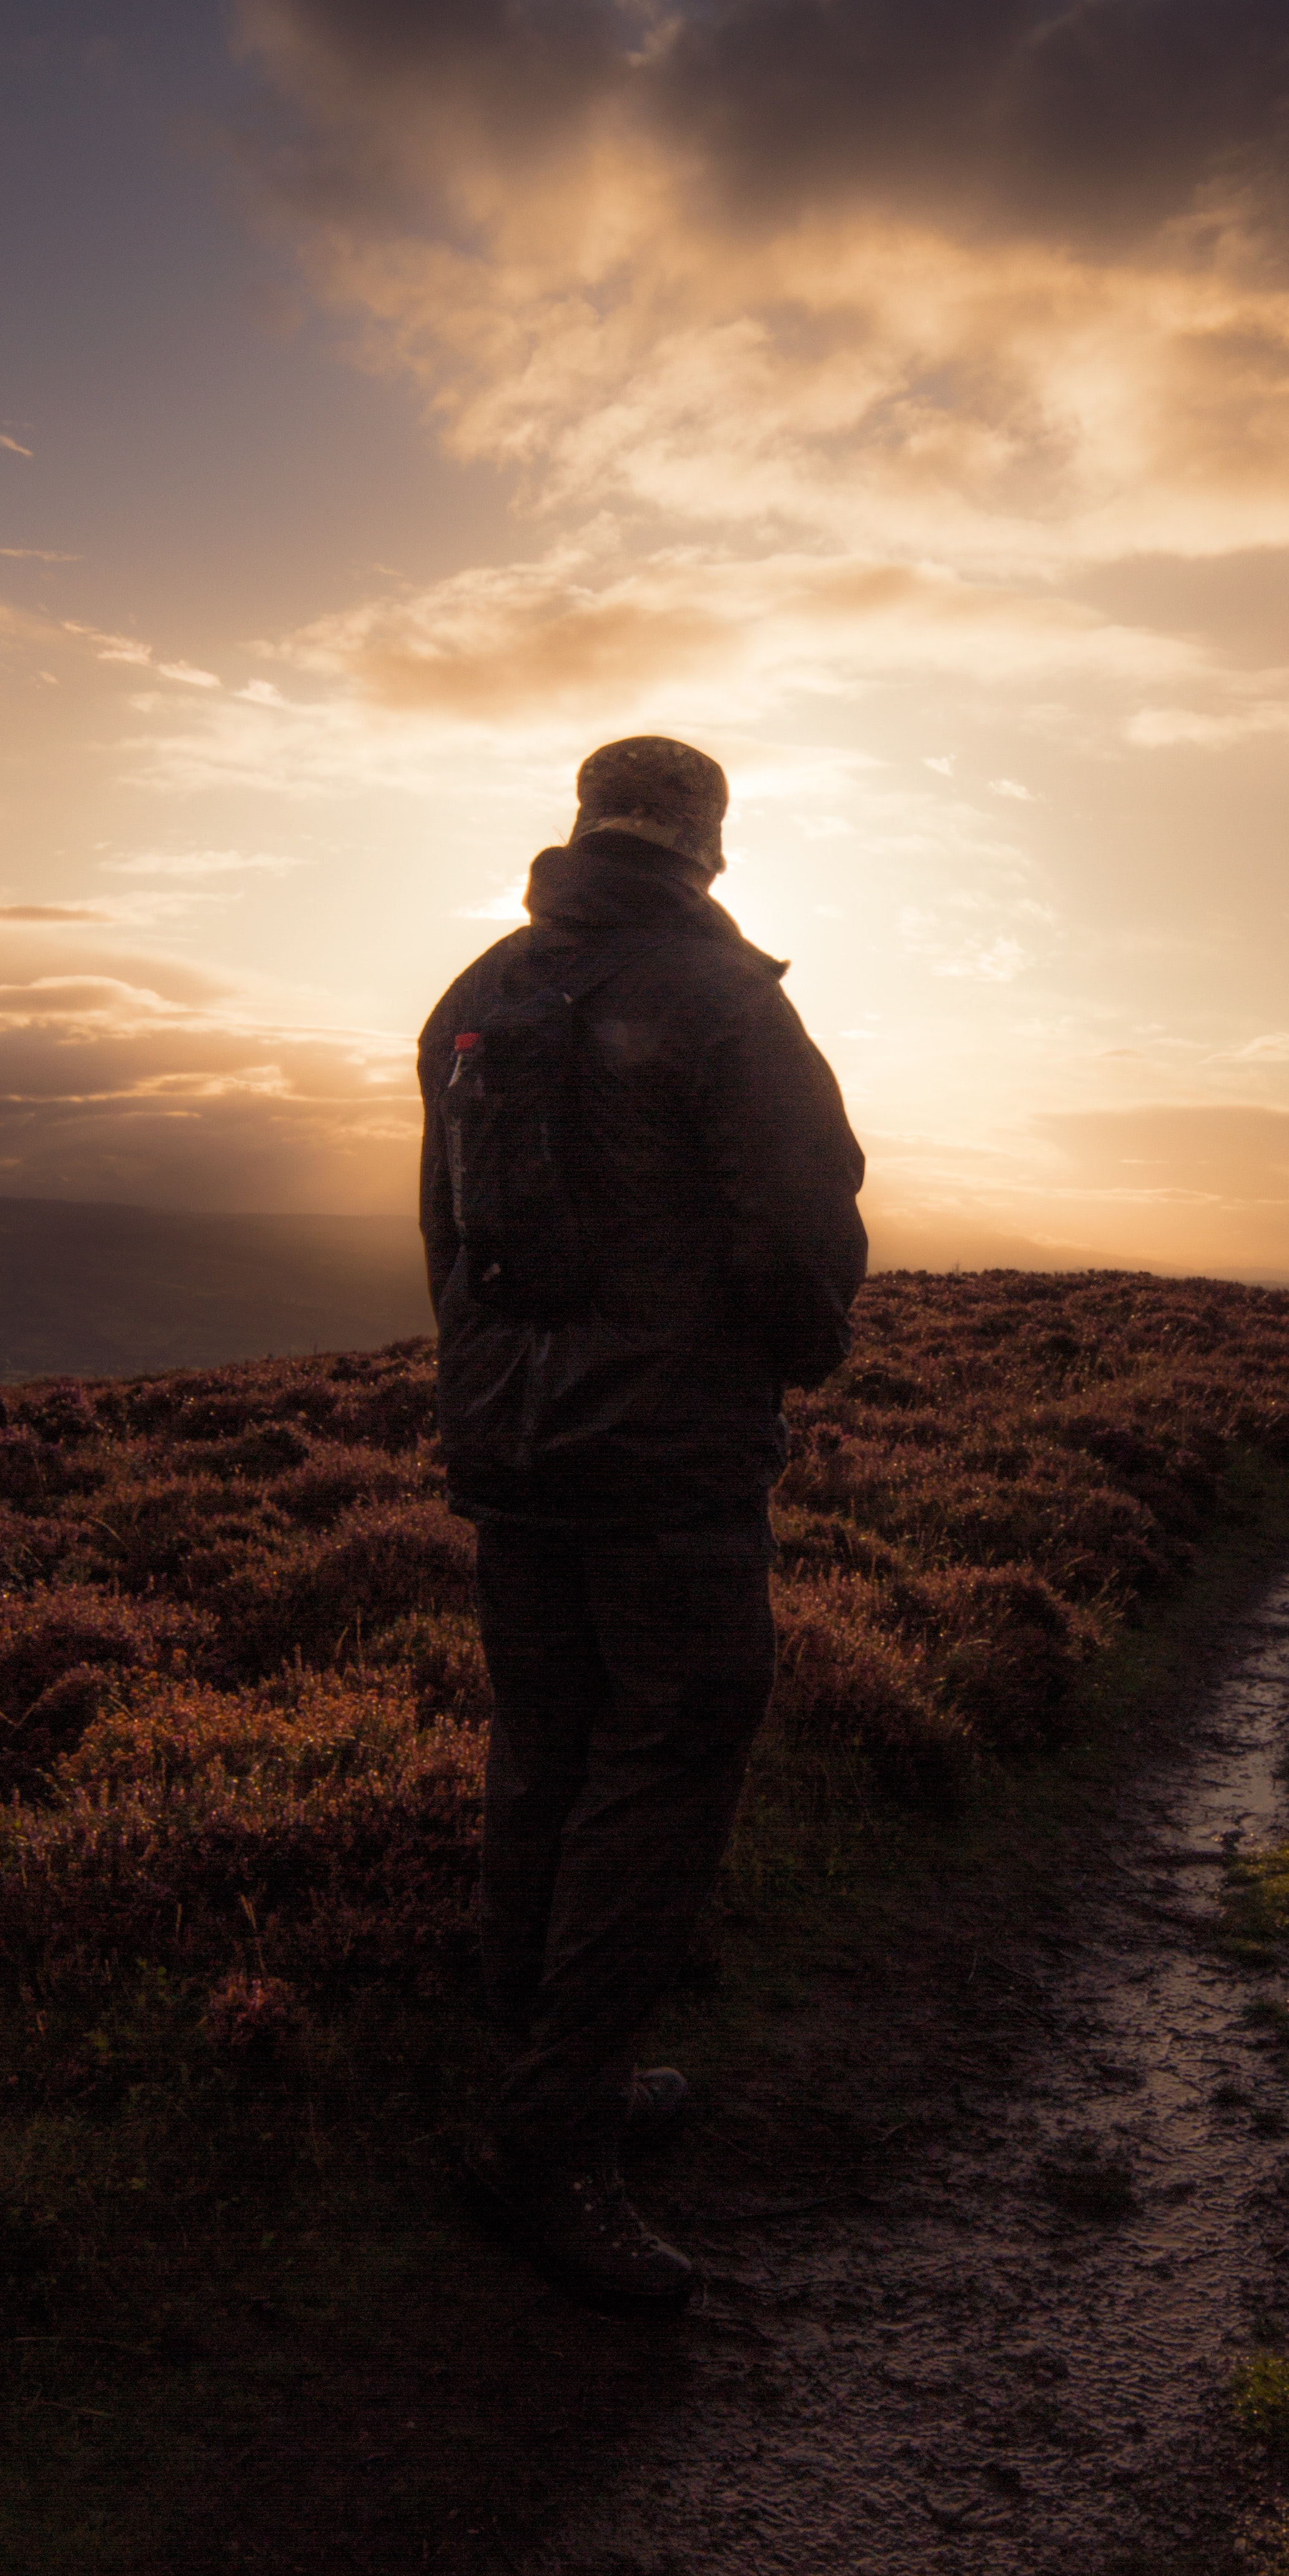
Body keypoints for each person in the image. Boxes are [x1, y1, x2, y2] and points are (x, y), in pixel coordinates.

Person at [417, 736, 867, 2308]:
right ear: (710, 840)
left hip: (513, 1453)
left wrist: (498, 1405)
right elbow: (807, 1229)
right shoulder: (725, 1000)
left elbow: (444, 1242)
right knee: (665, 1767)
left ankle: (551, 2074)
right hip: (664, 1458)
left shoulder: (475, 992)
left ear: (584, 825)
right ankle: (547, 2149)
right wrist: (781, 1363)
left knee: (545, 1747)